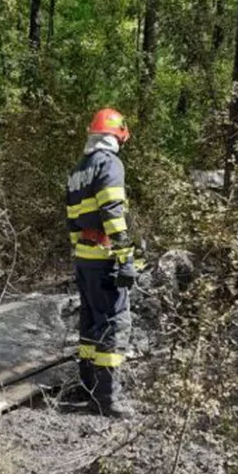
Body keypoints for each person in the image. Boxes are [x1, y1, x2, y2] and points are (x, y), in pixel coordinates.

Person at [65, 108, 138, 418]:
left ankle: (88, 385)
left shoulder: (78, 169)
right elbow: (112, 210)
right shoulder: (109, 164)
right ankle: (107, 399)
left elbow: (71, 217)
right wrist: (125, 257)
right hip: (106, 256)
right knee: (114, 322)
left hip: (84, 256)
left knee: (90, 321)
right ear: (116, 135)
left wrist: (79, 251)